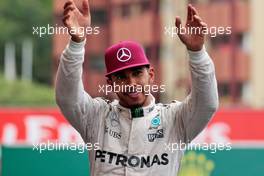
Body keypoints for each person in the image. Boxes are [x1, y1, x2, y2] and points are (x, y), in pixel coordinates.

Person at [55, 0, 219, 175]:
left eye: (137, 73)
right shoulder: (97, 116)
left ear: (151, 75)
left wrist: (197, 54)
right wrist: (76, 43)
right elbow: (67, 98)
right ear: (110, 83)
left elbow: (206, 104)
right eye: (121, 77)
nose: (131, 83)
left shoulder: (174, 119)